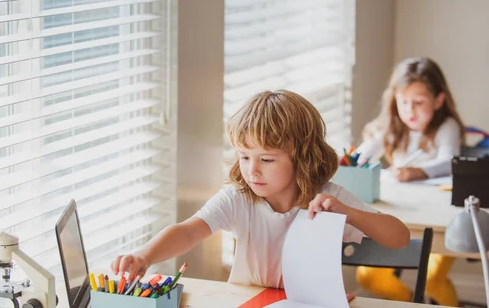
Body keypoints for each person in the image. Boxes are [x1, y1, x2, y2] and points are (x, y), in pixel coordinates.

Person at [111, 90, 410, 288]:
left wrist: (346, 213)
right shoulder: (238, 198)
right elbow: (188, 231)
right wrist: (144, 256)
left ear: (302, 157)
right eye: (244, 157)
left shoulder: (328, 199)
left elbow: (399, 238)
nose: (252, 170)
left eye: (266, 159)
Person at [355, 57, 465, 306]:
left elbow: (450, 161)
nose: (410, 110)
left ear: (438, 100)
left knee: (432, 278)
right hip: (402, 220)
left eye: (419, 102)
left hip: (442, 221)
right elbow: (360, 157)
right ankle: (414, 305)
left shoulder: (447, 126)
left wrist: (417, 172)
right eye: (404, 102)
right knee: (368, 275)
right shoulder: (392, 127)